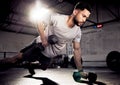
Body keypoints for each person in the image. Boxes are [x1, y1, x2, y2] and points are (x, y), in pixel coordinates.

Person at [0, 1, 93, 81]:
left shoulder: (77, 32)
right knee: (15, 60)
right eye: (83, 16)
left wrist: (80, 71)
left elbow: (76, 50)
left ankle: (31, 65)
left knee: (44, 68)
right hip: (39, 47)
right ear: (76, 12)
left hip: (49, 55)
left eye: (86, 18)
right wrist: (44, 39)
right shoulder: (58, 18)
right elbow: (39, 20)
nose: (84, 20)